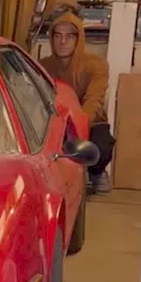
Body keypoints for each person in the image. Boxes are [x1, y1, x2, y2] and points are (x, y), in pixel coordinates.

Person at [39, 11, 113, 194]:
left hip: (90, 121)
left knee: (102, 146)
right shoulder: (42, 66)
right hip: (55, 122)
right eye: (57, 36)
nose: (62, 42)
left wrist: (79, 127)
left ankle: (96, 172)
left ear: (78, 39)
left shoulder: (96, 65)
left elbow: (94, 99)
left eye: (69, 36)